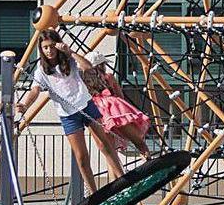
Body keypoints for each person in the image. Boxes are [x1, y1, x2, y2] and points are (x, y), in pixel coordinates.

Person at [15, 29, 125, 195]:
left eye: (52, 46)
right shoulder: (42, 71)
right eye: (45, 47)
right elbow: (35, 90)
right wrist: (25, 104)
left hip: (86, 105)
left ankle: (122, 179)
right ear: (41, 49)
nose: (49, 50)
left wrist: (70, 52)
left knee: (104, 144)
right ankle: (94, 193)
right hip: (68, 115)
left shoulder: (69, 60)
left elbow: (88, 67)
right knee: (81, 157)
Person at [82, 50, 152, 160]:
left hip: (98, 112)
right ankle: (147, 158)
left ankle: (114, 176)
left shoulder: (85, 81)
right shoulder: (108, 77)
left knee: (110, 151)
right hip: (114, 108)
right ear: (101, 65)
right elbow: (120, 95)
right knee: (138, 140)